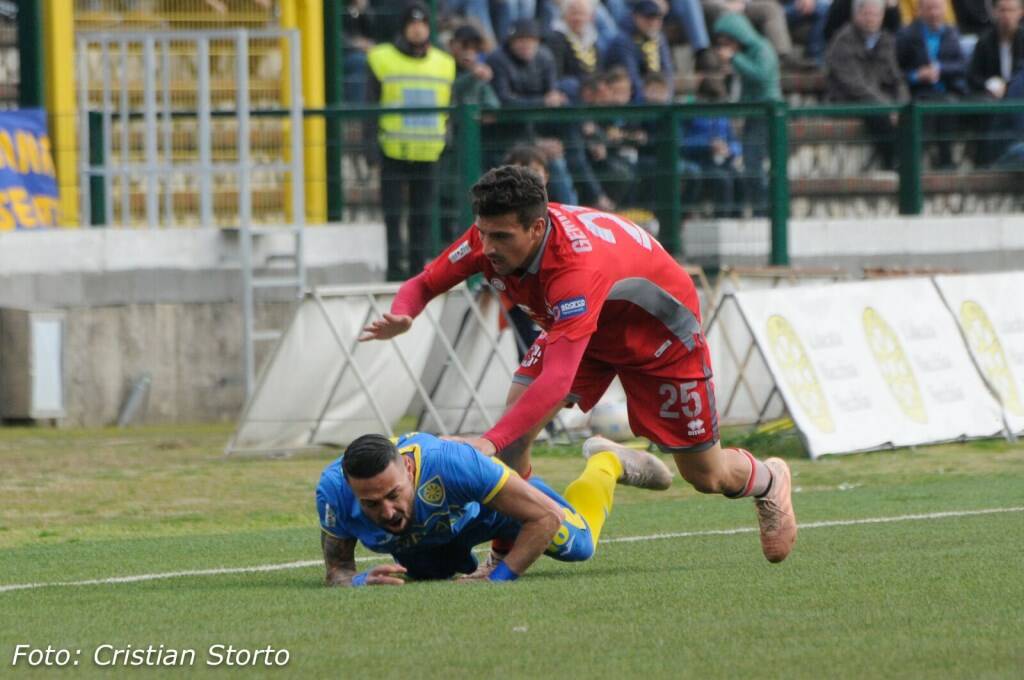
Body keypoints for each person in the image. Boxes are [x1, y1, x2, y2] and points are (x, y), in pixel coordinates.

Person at [359, 165, 798, 575]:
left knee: (706, 475)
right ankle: (506, 544)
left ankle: (768, 478)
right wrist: (404, 314)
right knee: (517, 429)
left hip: (659, 338)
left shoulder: (574, 268)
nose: (488, 248)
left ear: (537, 227)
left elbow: (556, 382)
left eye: (501, 237)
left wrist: (487, 443)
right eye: (483, 233)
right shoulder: (490, 239)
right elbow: (424, 283)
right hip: (584, 328)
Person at [317, 432, 673, 585]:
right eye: (371, 503)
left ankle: (607, 462)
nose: (389, 511)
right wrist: (360, 581)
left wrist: (498, 580)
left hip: (492, 510)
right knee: (432, 575)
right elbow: (339, 571)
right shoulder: (333, 491)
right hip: (434, 540)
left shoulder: (452, 464)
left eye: (394, 494)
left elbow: (544, 518)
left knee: (580, 545)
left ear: (408, 470)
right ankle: (498, 550)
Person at [367, 2, 456, 280]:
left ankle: (418, 273)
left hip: (429, 151)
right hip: (393, 150)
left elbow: (449, 106)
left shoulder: (445, 62)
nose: (417, 29)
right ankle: (394, 270)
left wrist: (447, 141)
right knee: (393, 217)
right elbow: (370, 105)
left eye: (422, 24)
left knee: (422, 218)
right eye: (412, 24)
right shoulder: (382, 58)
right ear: (403, 27)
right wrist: (370, 151)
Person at [826, 0, 909, 169]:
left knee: (912, 114)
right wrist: (887, 106)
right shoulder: (843, 41)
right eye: (867, 14)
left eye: (876, 15)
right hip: (848, 100)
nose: (872, 19)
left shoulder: (886, 40)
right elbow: (854, 85)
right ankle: (894, 163)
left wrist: (901, 105)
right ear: (856, 15)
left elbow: (897, 79)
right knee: (878, 115)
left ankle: (912, 162)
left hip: (882, 100)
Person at [713, 12, 781, 215]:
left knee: (756, 165)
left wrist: (735, 59)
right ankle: (760, 210)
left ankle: (767, 212)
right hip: (752, 114)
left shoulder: (762, 48)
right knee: (751, 166)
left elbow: (760, 75)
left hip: (766, 114)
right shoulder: (742, 55)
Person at [896, 0, 968, 167]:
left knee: (949, 104)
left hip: (947, 91)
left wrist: (940, 69)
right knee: (925, 109)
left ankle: (946, 162)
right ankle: (914, 163)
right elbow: (896, 72)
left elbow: (962, 66)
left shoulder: (952, 33)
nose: (934, 13)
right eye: (929, 9)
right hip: (919, 93)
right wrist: (916, 75)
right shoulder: (907, 35)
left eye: (937, 8)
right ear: (920, 10)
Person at [603, 0, 675, 102]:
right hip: (631, 99)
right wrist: (650, 96)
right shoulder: (623, 41)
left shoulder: (660, 39)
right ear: (636, 17)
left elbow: (667, 71)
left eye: (657, 19)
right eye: (648, 18)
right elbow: (632, 78)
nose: (653, 23)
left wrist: (666, 94)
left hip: (656, 94)